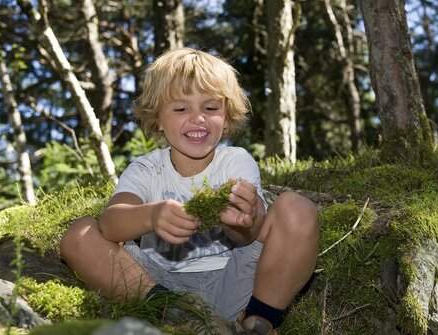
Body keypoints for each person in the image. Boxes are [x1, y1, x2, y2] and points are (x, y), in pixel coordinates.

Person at [60, 47, 319, 335]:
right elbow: (110, 224)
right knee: (80, 234)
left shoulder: (236, 161)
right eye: (181, 109)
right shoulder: (147, 169)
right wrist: (151, 215)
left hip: (234, 283)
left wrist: (245, 222)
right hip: (159, 285)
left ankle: (258, 320)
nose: (198, 118)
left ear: (227, 116)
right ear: (157, 118)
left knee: (298, 208)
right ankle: (173, 314)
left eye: (210, 108)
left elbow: (250, 233)